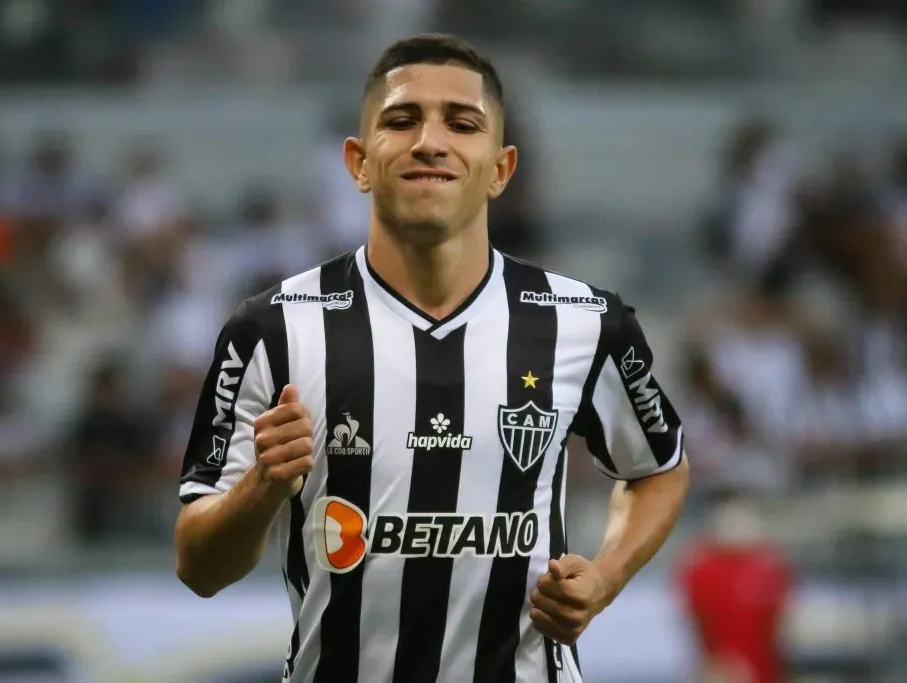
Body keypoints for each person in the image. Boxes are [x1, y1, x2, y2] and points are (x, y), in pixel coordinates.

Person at [173, 33, 691, 683]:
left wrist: (606, 575)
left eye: (462, 122)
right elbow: (198, 566)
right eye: (402, 119)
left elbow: (659, 468)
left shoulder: (584, 324)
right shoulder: (272, 329)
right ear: (359, 163)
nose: (429, 140)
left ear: (501, 169)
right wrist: (260, 489)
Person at [676, 487, 794, 683]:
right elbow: (695, 622)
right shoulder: (700, 568)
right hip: (723, 668)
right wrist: (713, 665)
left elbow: (783, 620)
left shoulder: (772, 564)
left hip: (768, 666)